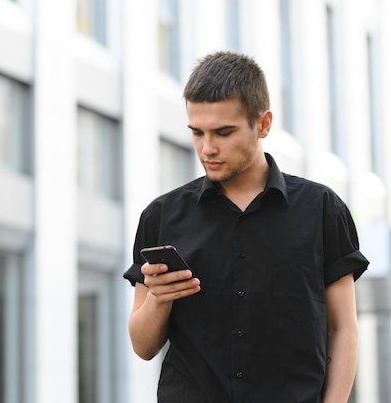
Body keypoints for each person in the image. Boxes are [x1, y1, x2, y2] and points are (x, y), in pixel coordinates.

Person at [123, 51, 369, 403]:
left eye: (223, 132)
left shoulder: (321, 209)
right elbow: (143, 346)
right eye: (198, 133)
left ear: (263, 124)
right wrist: (159, 299)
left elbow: (342, 327)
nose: (208, 148)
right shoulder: (161, 216)